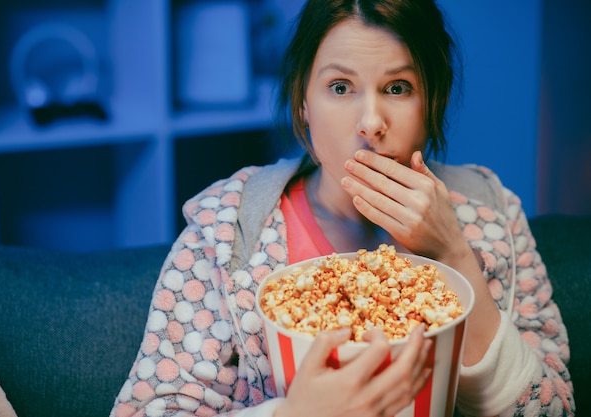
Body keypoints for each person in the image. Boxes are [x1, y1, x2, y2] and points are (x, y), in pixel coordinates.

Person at [110, 0, 575, 416]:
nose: (371, 123)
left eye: (398, 88)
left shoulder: (493, 212)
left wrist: (454, 253)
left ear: (432, 100)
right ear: (303, 102)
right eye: (339, 87)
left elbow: (552, 408)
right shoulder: (228, 228)